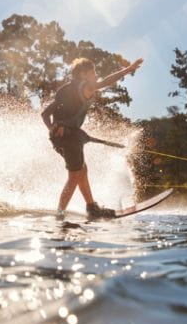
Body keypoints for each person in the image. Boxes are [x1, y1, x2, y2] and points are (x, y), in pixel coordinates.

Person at [42, 56, 143, 221]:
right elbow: (105, 83)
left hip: (61, 138)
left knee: (81, 170)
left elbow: (45, 114)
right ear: (83, 74)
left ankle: (91, 207)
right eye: (93, 72)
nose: (95, 75)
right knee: (75, 175)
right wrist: (128, 70)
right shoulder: (85, 87)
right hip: (69, 138)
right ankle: (60, 215)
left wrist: (51, 128)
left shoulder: (67, 89)